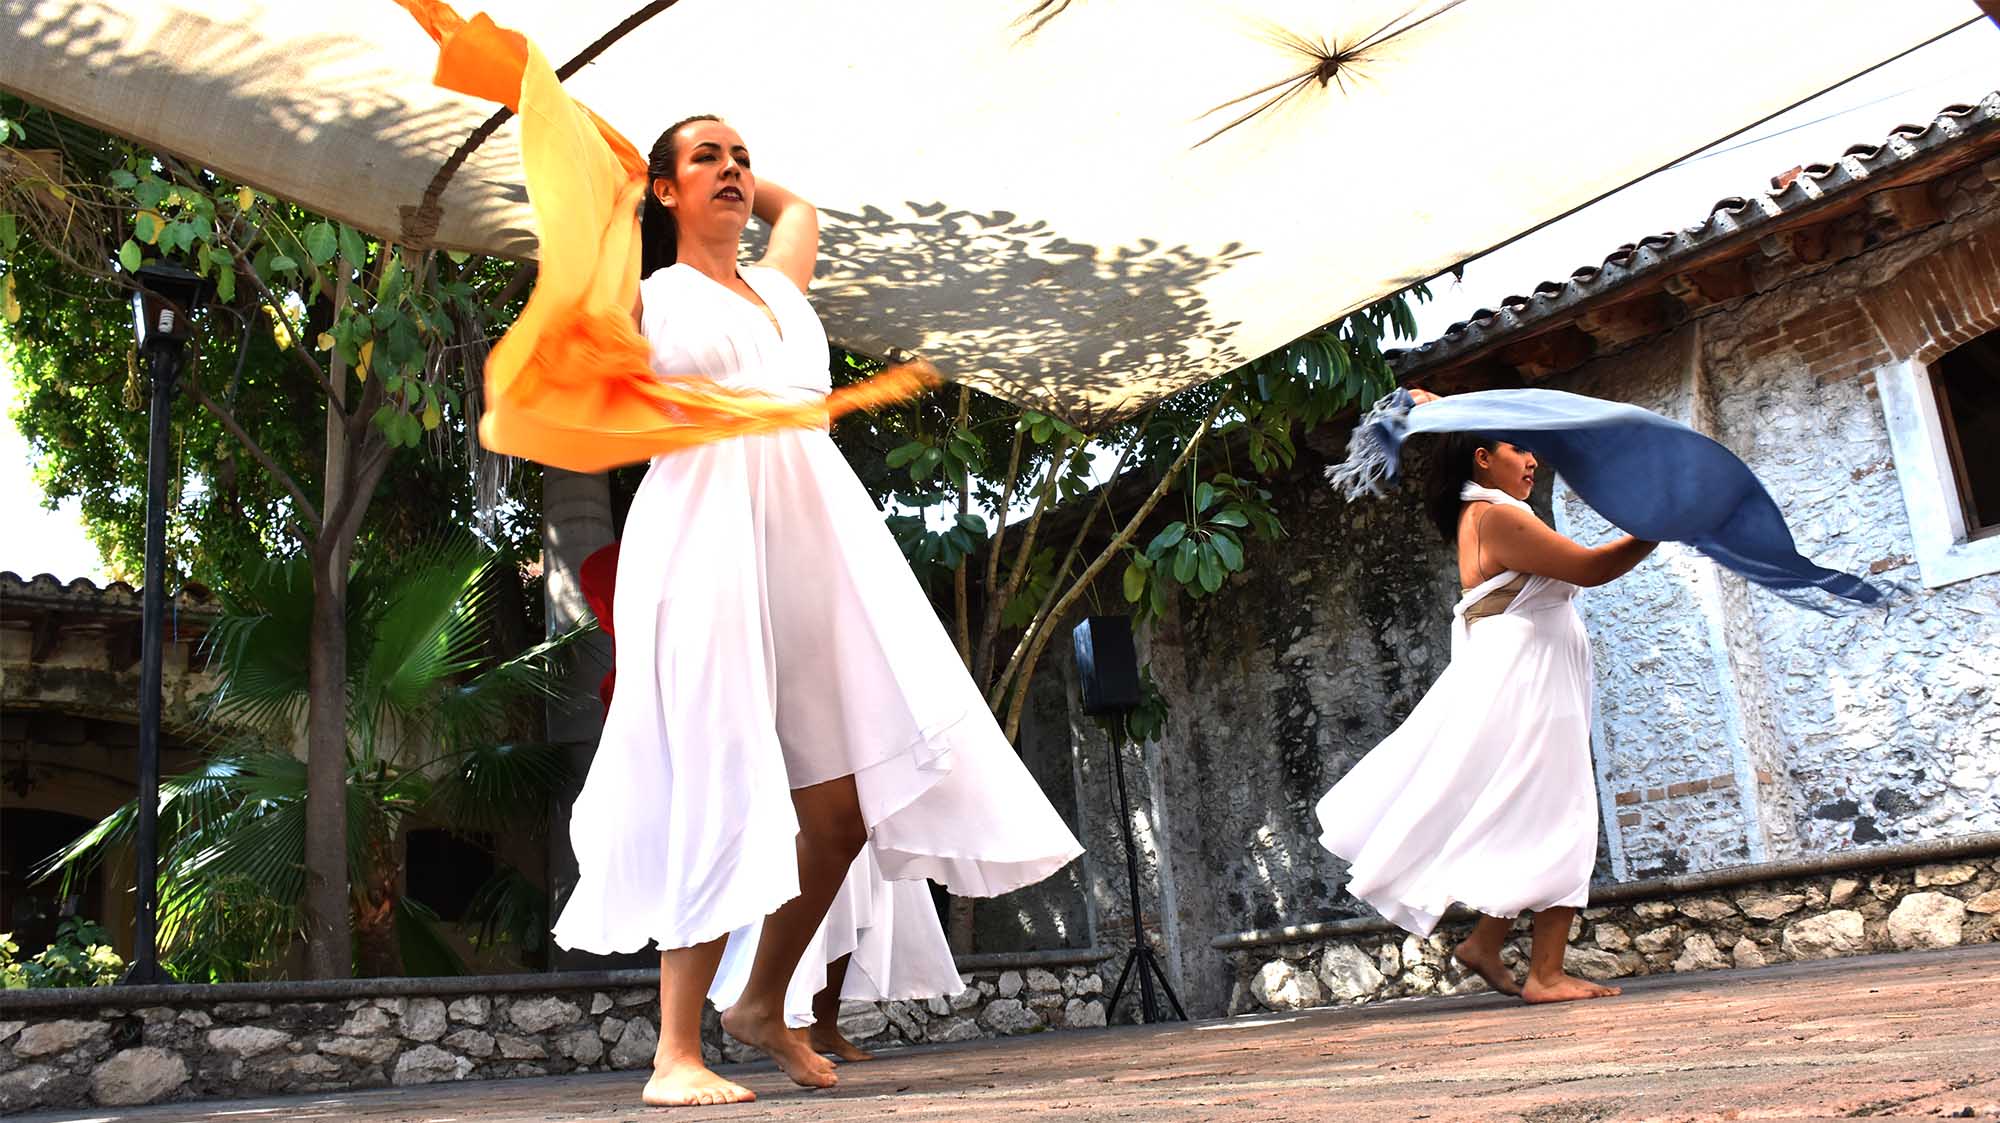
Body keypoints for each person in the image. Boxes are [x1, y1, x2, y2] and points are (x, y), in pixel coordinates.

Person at [538, 112, 1081, 1108]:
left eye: (741, 156)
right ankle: (673, 1052)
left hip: (814, 546)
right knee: (718, 777)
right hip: (705, 540)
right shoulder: (651, 292)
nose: (734, 170)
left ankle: (757, 1003)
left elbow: (803, 210)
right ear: (664, 191)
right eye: (707, 158)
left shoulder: (781, 288)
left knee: (835, 818)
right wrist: (625, 180)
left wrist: (730, 172)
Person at [1316, 388, 1657, 1004]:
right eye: (1519, 448)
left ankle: (1485, 944)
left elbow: (1485, 428)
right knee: (1562, 813)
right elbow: (1590, 566)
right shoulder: (1499, 516)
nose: (1534, 460)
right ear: (1481, 458)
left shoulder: (1482, 508)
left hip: (1528, 674)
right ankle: (1545, 974)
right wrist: (1656, 526)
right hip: (1528, 682)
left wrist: (1439, 401)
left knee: (1532, 809)